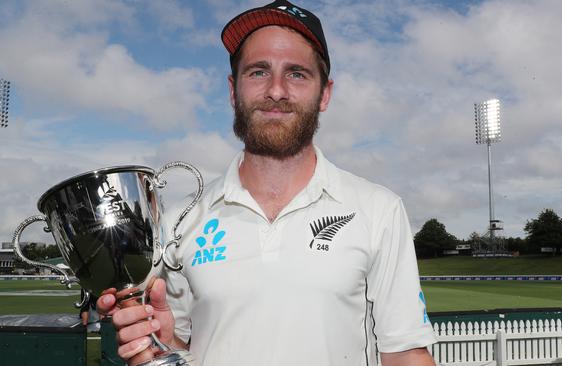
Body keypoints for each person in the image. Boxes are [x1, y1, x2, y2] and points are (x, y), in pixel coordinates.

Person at [98, 1, 437, 365]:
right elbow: (180, 344)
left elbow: (405, 355)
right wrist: (164, 343)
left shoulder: (378, 210)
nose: (276, 90)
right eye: (258, 72)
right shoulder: (182, 219)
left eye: (297, 74)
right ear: (233, 90)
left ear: (325, 93)